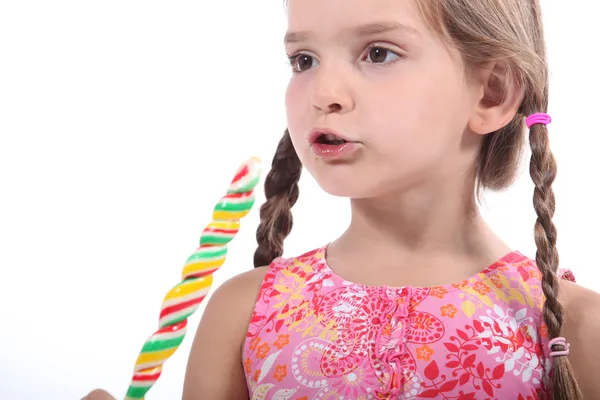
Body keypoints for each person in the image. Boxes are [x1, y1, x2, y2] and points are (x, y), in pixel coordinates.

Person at [84, 0, 600, 398]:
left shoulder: (572, 331)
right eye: (303, 59)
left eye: (378, 53)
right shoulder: (243, 313)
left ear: (491, 92)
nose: (323, 91)